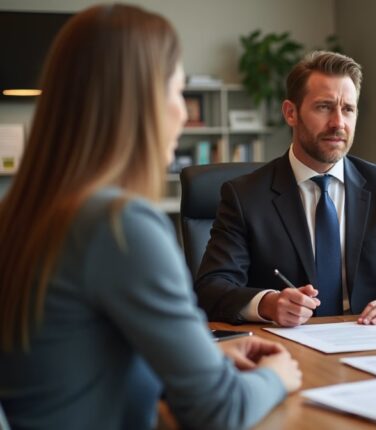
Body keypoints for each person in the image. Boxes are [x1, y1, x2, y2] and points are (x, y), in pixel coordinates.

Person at [0, 5, 301, 429]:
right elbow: (219, 411)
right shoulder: (119, 225)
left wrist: (206, 357)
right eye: (176, 93)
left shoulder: (22, 213)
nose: (182, 112)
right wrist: (276, 378)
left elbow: (75, 356)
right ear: (139, 103)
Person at [194, 51, 376, 327]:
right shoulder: (245, 195)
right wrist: (268, 303)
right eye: (323, 107)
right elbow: (211, 288)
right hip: (287, 348)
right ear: (290, 113)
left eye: (348, 109)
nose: (338, 123)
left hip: (371, 342)